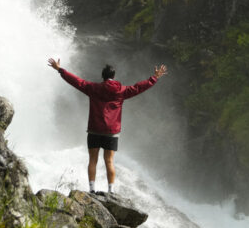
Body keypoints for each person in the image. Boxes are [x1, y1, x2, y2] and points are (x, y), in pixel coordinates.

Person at [48, 57, 167, 195]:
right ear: (113, 76)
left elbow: (76, 81)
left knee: (93, 160)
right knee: (109, 161)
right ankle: (111, 191)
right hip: (111, 131)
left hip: (94, 129)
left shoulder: (93, 88)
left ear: (102, 77)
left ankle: (92, 189)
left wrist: (60, 70)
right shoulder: (121, 91)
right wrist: (154, 77)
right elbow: (138, 87)